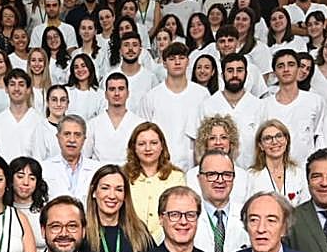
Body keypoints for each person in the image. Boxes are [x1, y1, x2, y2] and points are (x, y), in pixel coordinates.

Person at [140, 42, 208, 170]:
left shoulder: (202, 94)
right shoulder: (151, 97)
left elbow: (206, 133)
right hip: (159, 166)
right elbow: (143, 134)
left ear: (188, 62)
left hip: (193, 165)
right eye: (172, 59)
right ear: (164, 63)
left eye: (181, 58)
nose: (177, 62)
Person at [194, 53, 264, 167]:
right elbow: (199, 146)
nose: (235, 75)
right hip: (216, 172)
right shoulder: (208, 105)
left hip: (251, 171)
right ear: (222, 75)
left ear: (246, 74)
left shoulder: (259, 106)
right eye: (230, 71)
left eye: (239, 70)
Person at [126, 122, 187, 241]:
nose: (148, 148)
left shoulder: (176, 177)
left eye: (153, 143)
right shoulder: (123, 176)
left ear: (162, 146)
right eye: (142, 144)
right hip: (130, 240)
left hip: (166, 241)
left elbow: (179, 213)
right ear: (134, 148)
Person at [263, 49, 324, 166]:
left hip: (306, 168)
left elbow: (319, 136)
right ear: (274, 72)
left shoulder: (315, 101)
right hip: (274, 168)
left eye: (291, 65)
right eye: (280, 66)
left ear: (298, 68)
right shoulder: (264, 105)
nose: (286, 69)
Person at [240, 119, 309, 206]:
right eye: (268, 138)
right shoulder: (251, 176)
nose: (274, 142)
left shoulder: (299, 173)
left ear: (286, 140)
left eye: (279, 136)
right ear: (260, 145)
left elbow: (305, 206)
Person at [193, 151, 248, 252]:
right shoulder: (186, 217)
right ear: (199, 179)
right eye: (212, 174)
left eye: (227, 175)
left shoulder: (247, 215)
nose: (220, 180)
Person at [86, 72, 144, 164]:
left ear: (128, 93)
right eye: (112, 89)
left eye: (121, 89)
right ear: (105, 94)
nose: (117, 93)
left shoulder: (139, 124)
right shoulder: (92, 125)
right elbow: (85, 157)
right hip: (99, 172)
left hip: (129, 172)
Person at [41, 114, 97, 201]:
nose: (72, 140)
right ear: (58, 137)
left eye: (77, 135)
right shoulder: (44, 168)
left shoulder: (96, 169)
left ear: (84, 139)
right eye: (67, 134)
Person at [104, 32, 157, 111]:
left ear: (140, 50)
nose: (130, 49)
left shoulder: (151, 78)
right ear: (120, 51)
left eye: (135, 45)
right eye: (126, 45)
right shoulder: (109, 77)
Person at [9, 155, 48, 250]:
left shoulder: (46, 211)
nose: (26, 182)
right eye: (20, 176)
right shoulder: (4, 211)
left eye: (32, 178)